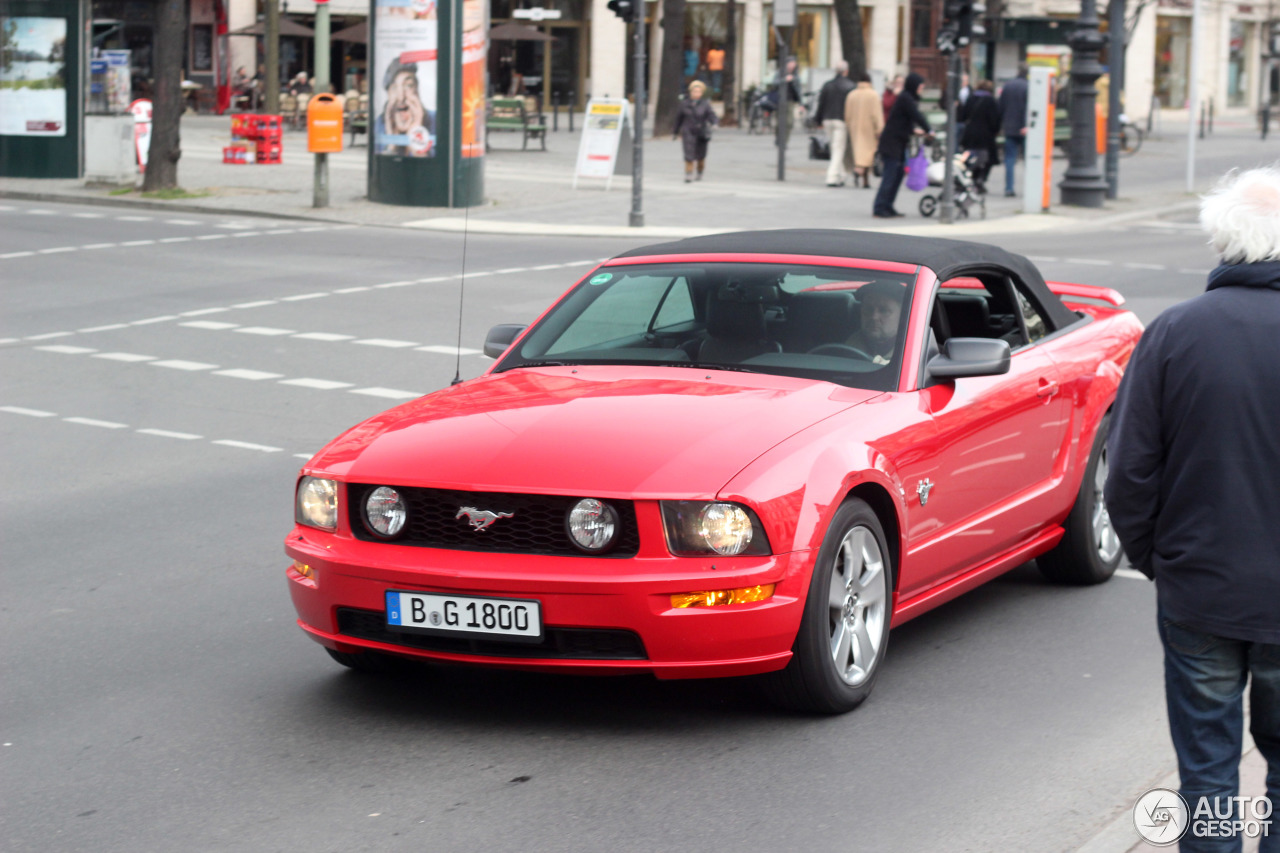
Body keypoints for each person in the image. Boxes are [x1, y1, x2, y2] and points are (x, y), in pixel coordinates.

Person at [1104, 165, 1280, 853]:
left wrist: (1156, 560)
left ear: (1221, 241)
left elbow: (1129, 474)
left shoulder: (1174, 334)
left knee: (1206, 775)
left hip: (1200, 588)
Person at [873, 72, 930, 219]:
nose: (921, 90)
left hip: (898, 143)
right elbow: (916, 115)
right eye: (920, 87)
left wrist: (913, 130)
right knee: (890, 176)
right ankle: (880, 207)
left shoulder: (907, 98)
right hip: (892, 144)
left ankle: (888, 205)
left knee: (897, 176)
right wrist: (929, 129)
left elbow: (903, 121)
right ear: (914, 86)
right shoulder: (906, 98)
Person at [376, 59, 435, 157]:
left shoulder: (435, 120)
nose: (401, 97)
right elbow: (382, 167)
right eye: (394, 87)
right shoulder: (380, 123)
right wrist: (391, 143)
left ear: (417, 90)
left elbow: (430, 169)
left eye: (408, 85)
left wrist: (416, 132)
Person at [816, 61, 856, 187]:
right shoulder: (850, 86)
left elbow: (821, 104)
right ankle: (832, 177)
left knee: (835, 149)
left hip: (827, 119)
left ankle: (841, 175)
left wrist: (818, 120)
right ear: (846, 71)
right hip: (841, 120)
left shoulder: (827, 85)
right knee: (838, 149)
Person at [845, 281, 905, 364]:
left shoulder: (914, 352)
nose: (874, 317)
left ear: (902, 316)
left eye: (884, 310)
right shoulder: (848, 347)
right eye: (868, 309)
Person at [958, 78, 1000, 192]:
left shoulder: (971, 98)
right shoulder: (991, 101)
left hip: (970, 134)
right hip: (985, 136)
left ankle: (967, 178)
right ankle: (979, 179)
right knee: (988, 159)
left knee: (968, 156)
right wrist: (995, 131)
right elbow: (995, 120)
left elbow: (963, 116)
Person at [672, 80, 718, 182]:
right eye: (694, 91)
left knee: (701, 155)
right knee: (688, 153)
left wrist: (714, 123)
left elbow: (711, 115)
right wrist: (675, 132)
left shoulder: (705, 104)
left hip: (701, 132)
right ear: (690, 92)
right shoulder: (684, 104)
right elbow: (678, 119)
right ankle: (688, 173)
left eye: (698, 92)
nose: (696, 94)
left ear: (701, 93)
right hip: (688, 131)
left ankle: (700, 171)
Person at [844, 70, 884, 189]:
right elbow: (877, 114)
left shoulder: (852, 94)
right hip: (869, 129)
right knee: (869, 155)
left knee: (859, 153)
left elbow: (847, 114)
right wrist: (880, 129)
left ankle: (860, 174)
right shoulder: (873, 95)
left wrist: (849, 125)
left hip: (855, 128)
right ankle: (863, 176)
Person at [998, 64, 1029, 197]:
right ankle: (1031, 187)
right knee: (1029, 160)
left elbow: (1001, 106)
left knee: (1009, 159)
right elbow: (1030, 108)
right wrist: (1026, 125)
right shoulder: (1029, 86)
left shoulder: (1008, 85)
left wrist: (1001, 125)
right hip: (1025, 129)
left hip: (1009, 127)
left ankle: (1009, 188)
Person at [774, 57, 805, 144]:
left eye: (793, 63)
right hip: (780, 100)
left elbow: (799, 91)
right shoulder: (780, 72)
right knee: (779, 122)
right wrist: (785, 80)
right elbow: (774, 83)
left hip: (790, 101)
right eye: (791, 63)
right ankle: (778, 138)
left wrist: (801, 104)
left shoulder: (796, 75)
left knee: (789, 123)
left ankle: (784, 141)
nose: (792, 65)